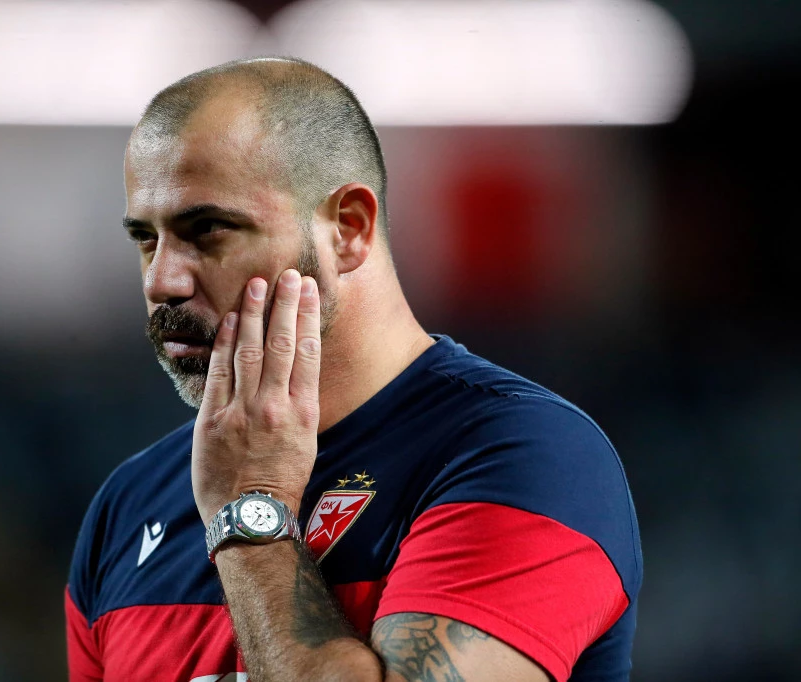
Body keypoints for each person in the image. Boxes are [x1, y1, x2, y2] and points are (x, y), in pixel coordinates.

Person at [66, 57, 641, 682]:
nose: (162, 282)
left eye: (207, 230)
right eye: (146, 239)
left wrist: (249, 507)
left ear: (348, 228)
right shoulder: (128, 505)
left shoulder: (525, 456)